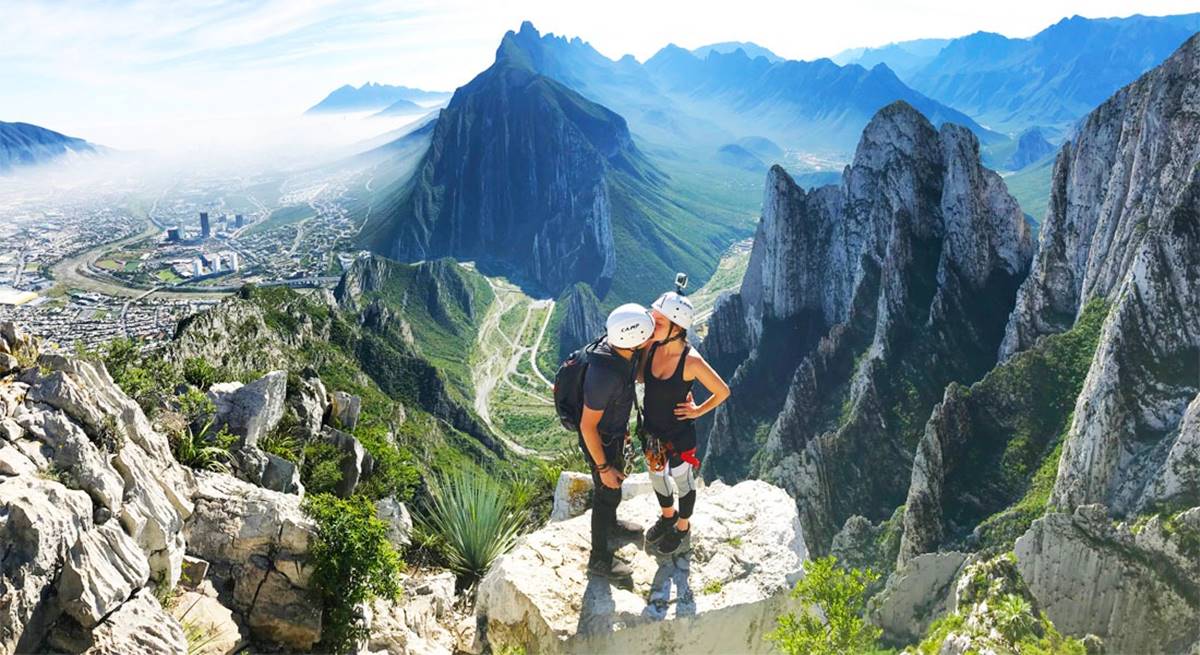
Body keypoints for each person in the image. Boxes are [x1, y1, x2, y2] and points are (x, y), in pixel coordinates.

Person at [639, 290, 731, 555]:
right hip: (653, 433)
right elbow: (642, 378)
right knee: (657, 478)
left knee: (683, 482)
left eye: (658, 322)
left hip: (679, 436)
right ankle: (668, 515)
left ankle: (682, 526)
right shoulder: (652, 347)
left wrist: (697, 411)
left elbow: (722, 391)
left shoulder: (691, 361)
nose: (652, 324)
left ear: (676, 327)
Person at [579, 303, 656, 582]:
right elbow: (587, 427)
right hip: (600, 440)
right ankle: (598, 558)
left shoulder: (622, 352)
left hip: (612, 433)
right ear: (633, 338)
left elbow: (637, 375)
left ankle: (611, 526)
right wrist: (602, 467)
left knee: (613, 489)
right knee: (605, 492)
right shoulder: (604, 376)